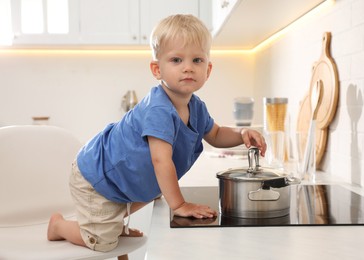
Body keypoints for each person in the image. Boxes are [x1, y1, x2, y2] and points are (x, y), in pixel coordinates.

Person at [47, 14, 267, 252]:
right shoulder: (159, 109)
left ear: (208, 69)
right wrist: (179, 204)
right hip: (96, 177)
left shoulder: (196, 106)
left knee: (154, 194)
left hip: (119, 178)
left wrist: (242, 133)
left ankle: (112, 223)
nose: (188, 67)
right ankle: (59, 226)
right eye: (176, 60)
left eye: (197, 60)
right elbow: (160, 160)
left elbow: (215, 133)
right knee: (102, 243)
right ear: (156, 69)